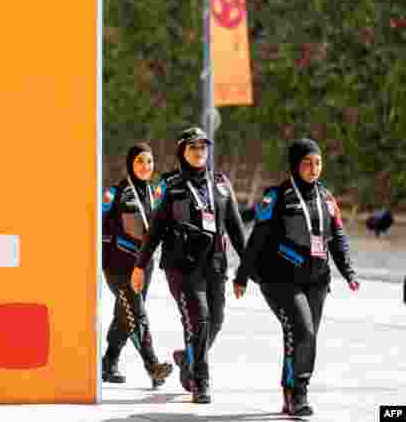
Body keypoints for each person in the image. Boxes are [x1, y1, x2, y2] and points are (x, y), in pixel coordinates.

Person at [233, 138, 359, 417]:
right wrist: (242, 275)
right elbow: (257, 238)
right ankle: (296, 394)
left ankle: (295, 389)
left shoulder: (327, 198)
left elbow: (338, 237)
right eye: (307, 163)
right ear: (294, 165)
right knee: (302, 331)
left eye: (318, 163)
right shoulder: (276, 197)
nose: (314, 169)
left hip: (317, 279)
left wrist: (348, 271)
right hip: (280, 279)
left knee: (307, 337)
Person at [131, 126, 247, 404]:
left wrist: (246, 269)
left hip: (215, 264)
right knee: (198, 320)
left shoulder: (220, 183)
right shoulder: (170, 186)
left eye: (203, 147)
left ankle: (188, 359)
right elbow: (155, 231)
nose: (199, 152)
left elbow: (235, 227)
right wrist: (139, 266)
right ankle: (200, 381)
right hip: (181, 266)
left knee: (215, 320)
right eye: (193, 147)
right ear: (182, 152)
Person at [101, 143, 174, 388]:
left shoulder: (155, 193)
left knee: (126, 313)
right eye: (140, 161)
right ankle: (152, 365)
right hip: (118, 266)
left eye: (149, 161)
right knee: (137, 313)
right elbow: (101, 228)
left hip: (143, 266)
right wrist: (106, 262)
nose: (145, 166)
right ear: (130, 164)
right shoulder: (116, 193)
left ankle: (109, 361)